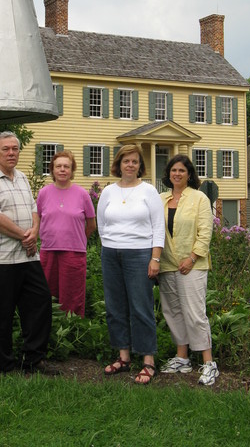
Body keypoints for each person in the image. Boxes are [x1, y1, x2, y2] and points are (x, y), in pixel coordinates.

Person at [0, 131, 54, 374]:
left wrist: (34, 232)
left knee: (40, 303)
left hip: (27, 255)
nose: (11, 153)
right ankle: (5, 365)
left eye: (15, 149)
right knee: (1, 314)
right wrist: (25, 235)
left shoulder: (21, 178)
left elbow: (33, 209)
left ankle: (33, 359)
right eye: (6, 149)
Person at [97, 144, 165, 384]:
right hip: (111, 254)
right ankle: (123, 357)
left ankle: (148, 361)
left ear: (140, 166)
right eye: (126, 161)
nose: (130, 165)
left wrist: (155, 258)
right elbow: (101, 225)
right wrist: (110, 247)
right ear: (119, 164)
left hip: (139, 255)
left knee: (140, 307)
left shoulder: (148, 191)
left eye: (134, 161)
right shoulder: (108, 192)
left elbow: (158, 227)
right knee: (115, 307)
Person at [159, 154, 219, 386]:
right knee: (173, 312)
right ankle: (182, 358)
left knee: (195, 313)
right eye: (174, 170)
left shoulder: (199, 198)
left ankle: (208, 363)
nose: (177, 174)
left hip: (191, 265)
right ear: (168, 174)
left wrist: (192, 257)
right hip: (167, 264)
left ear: (189, 174)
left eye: (182, 171)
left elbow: (206, 233)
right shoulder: (161, 199)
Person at [37, 150, 96, 318]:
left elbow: (91, 225)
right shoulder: (43, 193)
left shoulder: (82, 194)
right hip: (48, 251)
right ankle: (49, 331)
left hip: (74, 252)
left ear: (72, 170)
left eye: (66, 166)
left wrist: (76, 238)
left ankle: (72, 329)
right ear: (52, 170)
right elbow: (38, 219)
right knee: (48, 294)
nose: (62, 170)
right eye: (58, 166)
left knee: (72, 297)